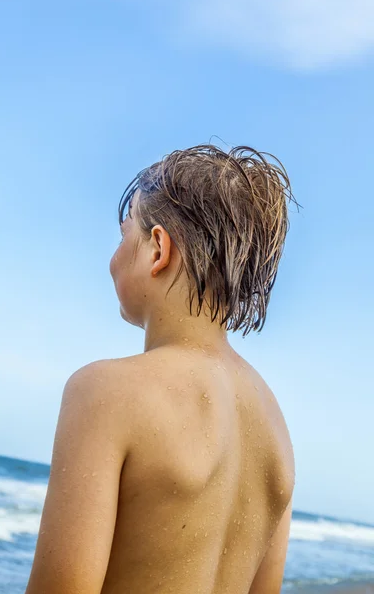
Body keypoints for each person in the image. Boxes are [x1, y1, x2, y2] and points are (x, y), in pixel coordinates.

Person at [25, 144, 297, 594]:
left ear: (157, 248)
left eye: (123, 234)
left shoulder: (104, 392)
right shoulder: (275, 427)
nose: (114, 256)